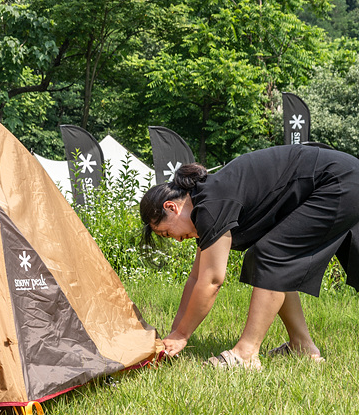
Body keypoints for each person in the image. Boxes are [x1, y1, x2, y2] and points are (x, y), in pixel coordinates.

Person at [140, 144, 359, 369]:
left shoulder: (211, 204)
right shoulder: (206, 201)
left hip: (337, 181)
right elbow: (196, 278)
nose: (177, 239)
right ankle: (302, 346)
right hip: (343, 177)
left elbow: (212, 281)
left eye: (167, 232)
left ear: (171, 207)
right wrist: (175, 334)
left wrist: (182, 335)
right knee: (271, 259)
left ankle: (246, 353)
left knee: (270, 256)